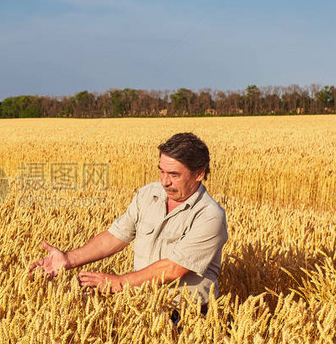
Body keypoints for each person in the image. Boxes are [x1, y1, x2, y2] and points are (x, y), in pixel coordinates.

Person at [29, 132, 227, 316]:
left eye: (174, 175)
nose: (165, 181)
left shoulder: (209, 216)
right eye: (162, 172)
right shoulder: (148, 194)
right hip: (139, 304)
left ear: (199, 174)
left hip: (185, 315)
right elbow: (116, 236)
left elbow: (174, 268)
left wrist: (120, 283)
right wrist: (68, 259)